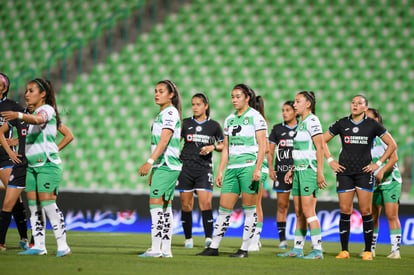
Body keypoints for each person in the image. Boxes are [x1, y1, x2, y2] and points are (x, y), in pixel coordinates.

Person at [1, 78, 72, 257]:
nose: (26, 94)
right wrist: (16, 141)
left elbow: (38, 120)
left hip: (47, 166)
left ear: (43, 94)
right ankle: (39, 245)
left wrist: (18, 116)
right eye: (26, 90)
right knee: (34, 207)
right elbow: (32, 135)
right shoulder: (30, 112)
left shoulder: (47, 110)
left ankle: (63, 246)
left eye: (31, 90)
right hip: (32, 167)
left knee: (48, 204)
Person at [323, 95, 397, 261]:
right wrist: (330, 160)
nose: (355, 105)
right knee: (345, 211)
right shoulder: (342, 123)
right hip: (345, 173)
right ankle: (344, 250)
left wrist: (377, 163)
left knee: (366, 211)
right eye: (353, 102)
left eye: (359, 103)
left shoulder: (372, 125)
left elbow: (392, 145)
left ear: (365, 107)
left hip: (364, 173)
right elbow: (321, 140)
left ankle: (368, 251)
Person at [197, 84, 267, 258]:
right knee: (223, 209)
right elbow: (226, 148)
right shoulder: (229, 119)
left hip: (249, 166)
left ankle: (244, 249)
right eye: (232, 97)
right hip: (232, 168)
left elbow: (263, 145)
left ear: (247, 98)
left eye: (238, 96)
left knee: (249, 209)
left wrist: (258, 168)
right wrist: (220, 171)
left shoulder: (256, 117)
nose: (234, 100)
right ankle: (214, 247)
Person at [277, 91, 326, 260]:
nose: (294, 105)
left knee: (308, 210)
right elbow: (299, 150)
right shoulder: (301, 123)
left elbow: (320, 147)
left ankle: (318, 250)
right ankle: (297, 248)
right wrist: (291, 168)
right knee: (298, 212)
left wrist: (320, 172)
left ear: (308, 104)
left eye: (298, 101)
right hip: (298, 171)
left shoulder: (313, 121)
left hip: (309, 171)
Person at [138, 80, 182, 258]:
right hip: (163, 165)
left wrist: (149, 161)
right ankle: (166, 249)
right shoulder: (162, 114)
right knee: (165, 206)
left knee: (155, 204)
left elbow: (165, 140)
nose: (157, 94)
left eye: (161, 91)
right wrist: (154, 166)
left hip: (166, 164)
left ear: (171, 95)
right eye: (155, 91)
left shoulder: (170, 113)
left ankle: (156, 249)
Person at [176, 93, 224, 249]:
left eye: (198, 104)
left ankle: (209, 238)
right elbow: (175, 141)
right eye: (193, 104)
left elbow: (224, 145)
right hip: (186, 168)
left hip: (204, 169)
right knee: (186, 205)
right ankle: (188, 239)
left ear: (206, 106)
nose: (195, 107)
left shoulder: (214, 126)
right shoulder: (185, 124)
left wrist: (213, 147)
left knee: (206, 203)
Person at [366, 108, 402, 259]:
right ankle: (371, 248)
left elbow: (394, 158)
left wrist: (382, 171)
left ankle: (395, 250)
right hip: (374, 183)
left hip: (390, 181)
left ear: (377, 120)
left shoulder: (383, 137)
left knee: (391, 215)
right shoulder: (365, 140)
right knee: (373, 216)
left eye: (369, 118)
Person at [0, 72, 30, 250]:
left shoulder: (12, 106)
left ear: (5, 86)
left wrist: (16, 142)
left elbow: (28, 125)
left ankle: (23, 238)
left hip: (4, 157)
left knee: (14, 199)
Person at [268, 100, 298, 249]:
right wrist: (270, 168)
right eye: (283, 110)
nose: (284, 113)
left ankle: (302, 239)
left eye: (288, 110)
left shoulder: (303, 128)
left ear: (295, 111)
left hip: (299, 171)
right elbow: (271, 150)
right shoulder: (277, 129)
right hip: (281, 171)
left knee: (302, 208)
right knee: (282, 205)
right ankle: (282, 240)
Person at [248, 95, 269, 252]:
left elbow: (266, 147)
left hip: (258, 165)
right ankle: (254, 237)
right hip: (252, 164)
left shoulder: (258, 121)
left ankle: (255, 239)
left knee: (255, 204)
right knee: (253, 204)